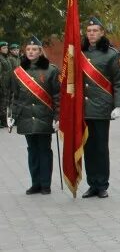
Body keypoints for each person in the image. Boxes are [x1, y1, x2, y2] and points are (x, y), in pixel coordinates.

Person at [81, 17, 120, 199]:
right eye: (89, 30)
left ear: (102, 33)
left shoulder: (112, 54)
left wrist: (119, 105)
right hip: (83, 108)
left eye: (95, 30)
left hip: (101, 107)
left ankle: (102, 185)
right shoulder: (79, 53)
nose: (91, 34)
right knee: (87, 147)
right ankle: (92, 184)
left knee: (100, 147)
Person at [7, 36, 60, 195]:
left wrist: (58, 117)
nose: (31, 52)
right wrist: (11, 116)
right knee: (32, 150)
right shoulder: (18, 72)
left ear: (40, 51)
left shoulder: (51, 70)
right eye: (28, 49)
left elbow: (58, 96)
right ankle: (35, 183)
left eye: (34, 49)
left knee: (44, 150)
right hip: (26, 116)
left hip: (45, 116)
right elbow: (15, 97)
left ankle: (45, 184)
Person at [0, 41, 11, 128]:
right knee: (2, 103)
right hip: (2, 84)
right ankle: (3, 122)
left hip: (7, 84)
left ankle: (4, 121)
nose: (6, 49)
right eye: (4, 48)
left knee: (5, 103)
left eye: (6, 48)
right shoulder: (1, 58)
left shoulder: (6, 58)